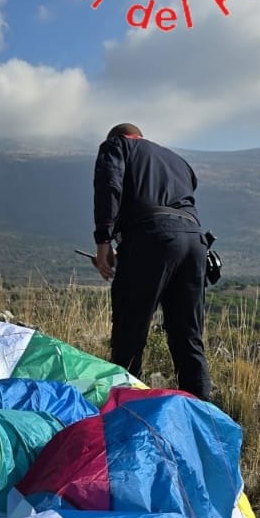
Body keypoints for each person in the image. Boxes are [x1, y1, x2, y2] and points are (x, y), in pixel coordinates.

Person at [91, 122, 212, 401]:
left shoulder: (117, 146)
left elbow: (109, 184)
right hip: (194, 242)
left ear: (121, 137)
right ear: (142, 137)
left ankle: (126, 411)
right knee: (188, 337)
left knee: (130, 331)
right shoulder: (178, 160)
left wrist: (103, 241)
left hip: (152, 237)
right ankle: (202, 417)